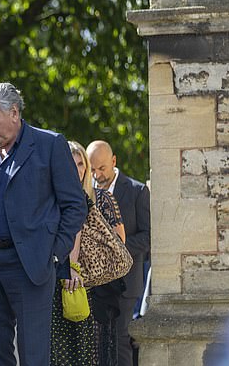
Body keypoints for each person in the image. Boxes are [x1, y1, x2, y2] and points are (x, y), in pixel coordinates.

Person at [0, 83, 87, 366]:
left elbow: (75, 205)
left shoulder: (49, 144)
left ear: (14, 112)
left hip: (30, 264)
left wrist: (54, 253)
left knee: (34, 355)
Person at [50, 141, 127, 366]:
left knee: (92, 352)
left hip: (95, 288)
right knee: (61, 351)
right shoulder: (53, 199)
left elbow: (119, 242)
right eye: (70, 164)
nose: (76, 169)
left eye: (80, 164)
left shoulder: (101, 198)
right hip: (61, 283)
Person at [86, 140, 150, 366]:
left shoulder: (137, 191)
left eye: (101, 168)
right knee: (97, 341)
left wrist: (114, 250)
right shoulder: (87, 193)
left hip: (126, 281)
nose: (97, 175)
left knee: (120, 339)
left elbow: (148, 236)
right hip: (95, 282)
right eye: (92, 169)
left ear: (113, 161)